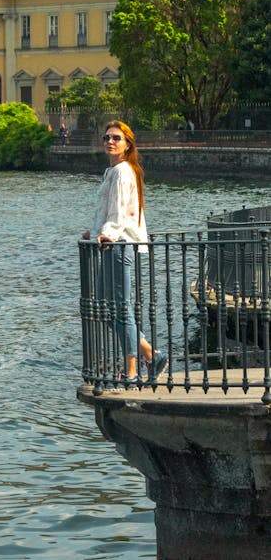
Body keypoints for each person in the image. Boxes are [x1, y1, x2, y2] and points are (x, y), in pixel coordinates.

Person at [82, 120, 167, 388]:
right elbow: (111, 210)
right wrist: (94, 230)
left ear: (127, 143)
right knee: (108, 310)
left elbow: (118, 212)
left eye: (116, 138)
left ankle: (132, 371)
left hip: (118, 245)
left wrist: (108, 232)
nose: (110, 141)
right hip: (112, 242)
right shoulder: (115, 170)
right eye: (106, 136)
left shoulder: (122, 171)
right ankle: (152, 355)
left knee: (120, 309)